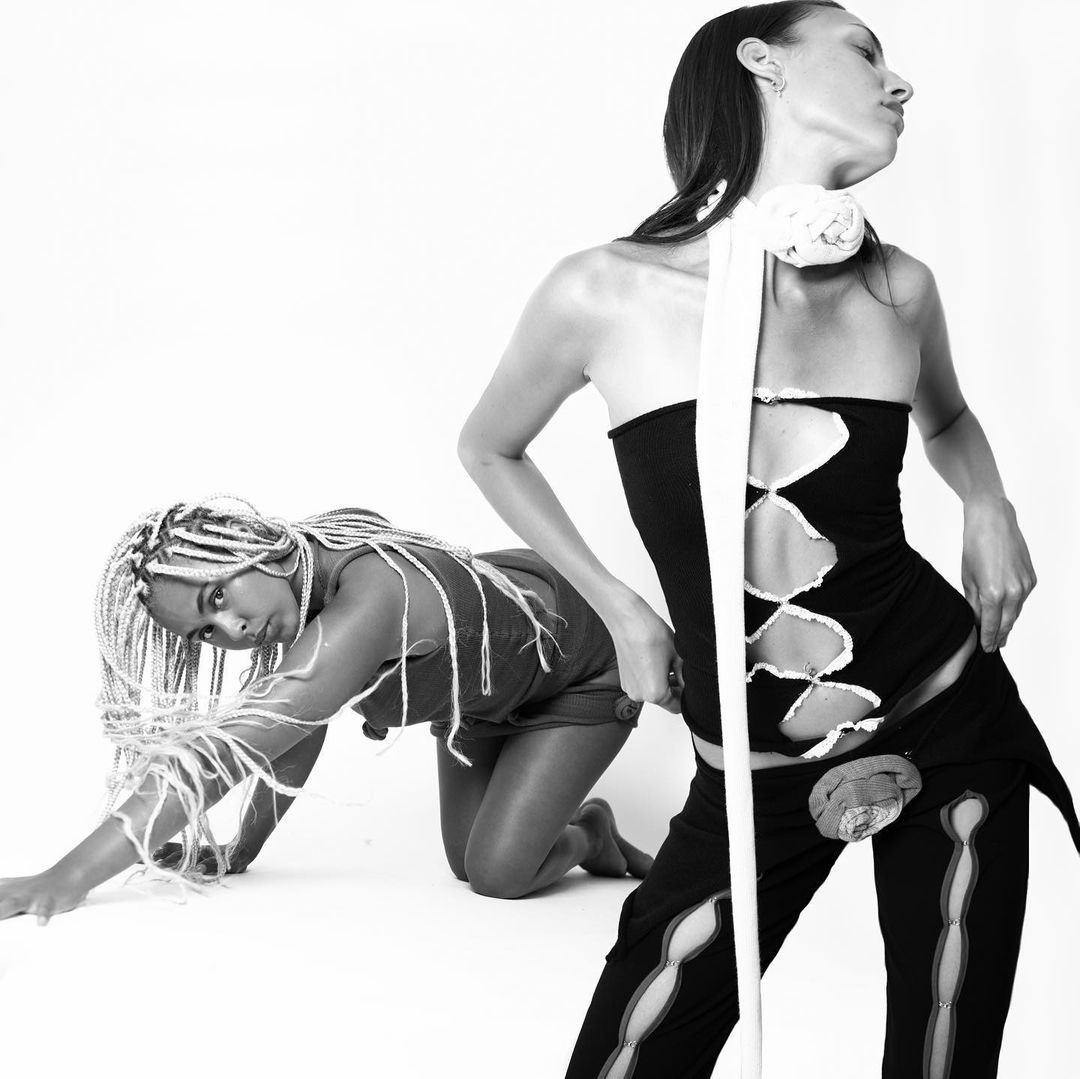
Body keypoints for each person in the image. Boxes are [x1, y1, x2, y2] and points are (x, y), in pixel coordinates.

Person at [456, 4, 1080, 1077]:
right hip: (747, 763)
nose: (899, 83)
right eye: (865, 52)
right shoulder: (605, 288)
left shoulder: (898, 287)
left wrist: (989, 503)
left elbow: (950, 422)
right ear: (763, 63)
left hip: (943, 707)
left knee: (944, 1054)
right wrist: (620, 606)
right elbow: (490, 447)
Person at [0, 498, 653, 924]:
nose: (232, 628)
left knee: (498, 874)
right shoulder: (305, 586)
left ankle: (591, 833)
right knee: (466, 862)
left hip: (583, 669)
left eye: (218, 596)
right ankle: (559, 817)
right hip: (480, 699)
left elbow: (225, 753)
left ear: (248, 545)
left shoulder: (373, 596)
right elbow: (297, 730)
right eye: (206, 632)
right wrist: (243, 847)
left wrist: (66, 877)